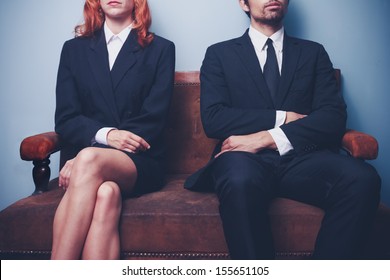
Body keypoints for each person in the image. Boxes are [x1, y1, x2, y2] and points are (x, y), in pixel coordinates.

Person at [185, 0, 381, 259]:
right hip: (243, 158)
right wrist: (283, 117)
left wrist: (268, 138)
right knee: (239, 180)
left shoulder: (313, 53)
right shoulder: (219, 54)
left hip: (302, 158)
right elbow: (214, 119)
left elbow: (332, 116)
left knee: (363, 178)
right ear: (243, 3)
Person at [51, 0, 175, 259]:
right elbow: (66, 118)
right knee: (107, 194)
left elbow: (153, 118)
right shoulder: (73, 50)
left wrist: (88, 156)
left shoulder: (161, 48)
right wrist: (106, 137)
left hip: (141, 159)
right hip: (89, 158)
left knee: (88, 159)